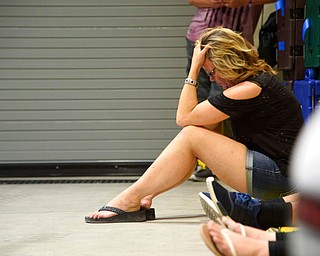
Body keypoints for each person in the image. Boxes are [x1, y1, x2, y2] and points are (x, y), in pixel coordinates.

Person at [85, 27, 303, 223]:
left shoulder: (249, 89)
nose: (213, 80)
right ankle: (142, 194)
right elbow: (196, 123)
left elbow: (183, 117)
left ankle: (129, 198)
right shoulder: (256, 82)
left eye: (211, 72)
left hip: (280, 177)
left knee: (191, 135)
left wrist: (193, 69)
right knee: (196, 134)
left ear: (226, 62)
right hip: (280, 174)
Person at [200, 109, 320, 256]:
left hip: (287, 174)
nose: (213, 83)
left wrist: (191, 84)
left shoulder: (253, 87)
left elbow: (185, 117)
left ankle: (264, 247)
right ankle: (266, 229)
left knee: (191, 136)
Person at [186, 0, 276, 181]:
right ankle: (204, 161)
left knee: (215, 104)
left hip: (234, 45)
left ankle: (211, 159)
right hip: (200, 37)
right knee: (200, 99)